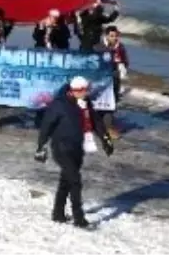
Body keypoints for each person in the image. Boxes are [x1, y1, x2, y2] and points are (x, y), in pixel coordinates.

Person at [34, 76, 114, 228]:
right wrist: (41, 146)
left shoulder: (86, 103)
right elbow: (46, 125)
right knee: (75, 181)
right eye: (84, 91)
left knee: (66, 181)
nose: (87, 93)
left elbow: (96, 121)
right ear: (75, 91)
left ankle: (58, 213)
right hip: (61, 148)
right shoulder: (59, 105)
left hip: (77, 147)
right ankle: (79, 218)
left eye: (87, 90)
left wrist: (106, 140)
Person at [104, 26, 129, 136]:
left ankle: (109, 123)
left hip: (115, 76)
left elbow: (126, 61)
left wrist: (122, 65)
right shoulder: (100, 47)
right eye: (112, 36)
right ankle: (107, 127)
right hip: (103, 78)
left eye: (116, 36)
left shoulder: (121, 47)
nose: (114, 38)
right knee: (105, 101)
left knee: (114, 100)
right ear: (106, 36)